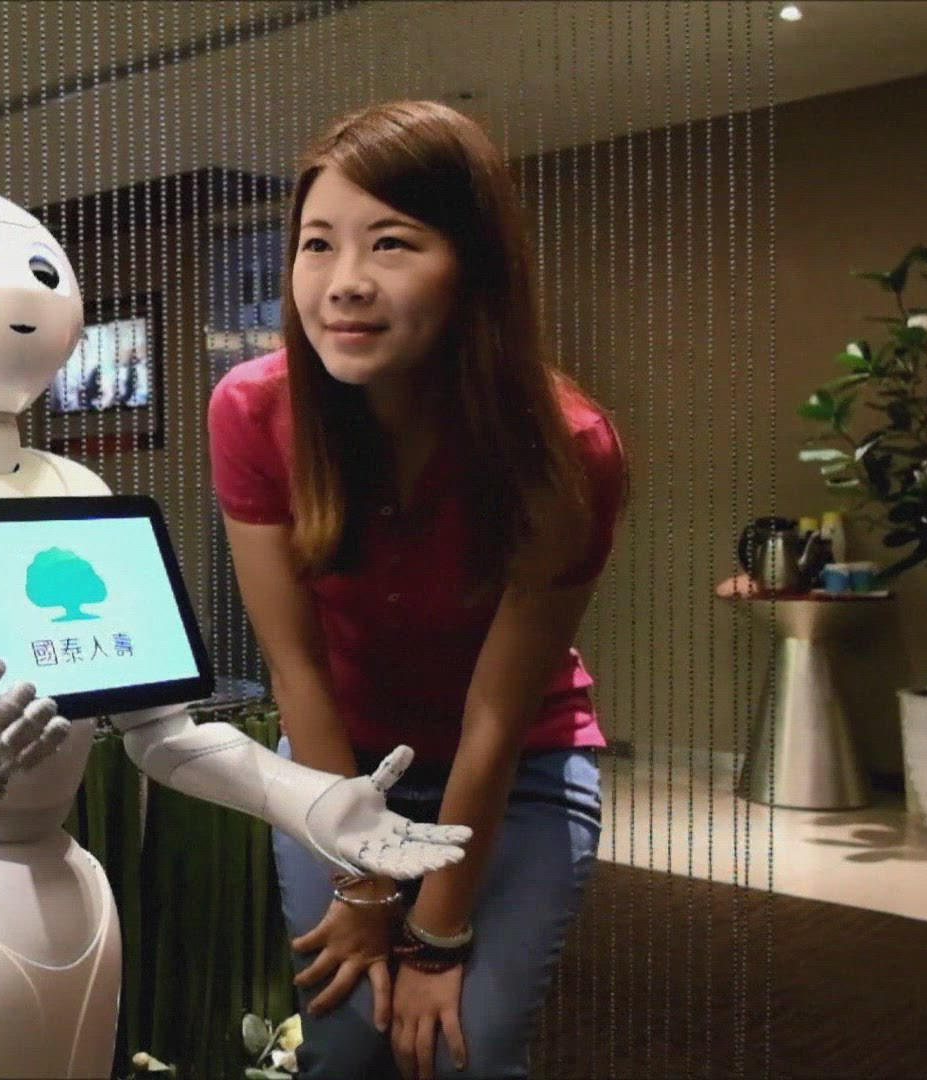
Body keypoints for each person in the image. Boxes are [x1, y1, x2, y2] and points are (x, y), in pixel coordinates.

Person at [207, 100, 628, 1079]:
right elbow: (298, 671)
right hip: (337, 758)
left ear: (475, 266)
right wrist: (362, 890)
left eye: (391, 243)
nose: (344, 282)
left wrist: (436, 936)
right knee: (348, 1045)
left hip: (518, 767)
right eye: (318, 244)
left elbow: (497, 714)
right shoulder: (254, 412)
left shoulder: (569, 448)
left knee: (461, 1050)